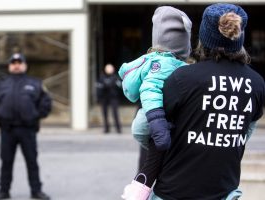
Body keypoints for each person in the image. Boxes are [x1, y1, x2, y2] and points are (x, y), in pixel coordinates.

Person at [144, 3, 264, 200]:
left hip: (174, 192)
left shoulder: (182, 78)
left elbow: (155, 134)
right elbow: (245, 134)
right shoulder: (257, 84)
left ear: (203, 39)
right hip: (223, 192)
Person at [120, 6, 192, 200]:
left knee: (151, 163)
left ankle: (140, 191)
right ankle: (138, 192)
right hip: (153, 123)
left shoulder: (162, 64)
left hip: (153, 123)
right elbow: (149, 89)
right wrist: (158, 122)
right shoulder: (161, 65)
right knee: (155, 158)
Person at [0, 53, 52, 200]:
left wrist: (35, 115)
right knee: (6, 161)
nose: (16, 65)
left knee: (32, 161)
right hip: (7, 130)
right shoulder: (0, 85)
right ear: (9, 66)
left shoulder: (35, 83)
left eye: (19, 62)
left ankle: (36, 191)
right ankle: (4, 191)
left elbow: (46, 102)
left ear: (25, 65)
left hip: (27, 129)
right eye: (13, 63)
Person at [96, 63, 122, 133]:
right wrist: (99, 98)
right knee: (105, 113)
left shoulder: (116, 77)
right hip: (104, 98)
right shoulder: (102, 77)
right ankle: (106, 128)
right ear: (105, 69)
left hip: (113, 98)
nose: (109, 70)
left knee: (115, 113)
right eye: (108, 69)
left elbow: (120, 87)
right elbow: (98, 88)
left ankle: (118, 128)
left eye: (111, 69)